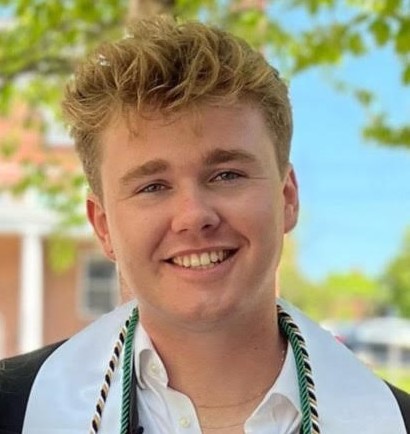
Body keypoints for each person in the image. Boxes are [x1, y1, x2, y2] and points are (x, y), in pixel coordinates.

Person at [1, 16, 409, 434]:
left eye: (227, 175)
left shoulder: (392, 421)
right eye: (152, 186)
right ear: (103, 226)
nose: (194, 215)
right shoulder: (16, 408)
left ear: (287, 197)